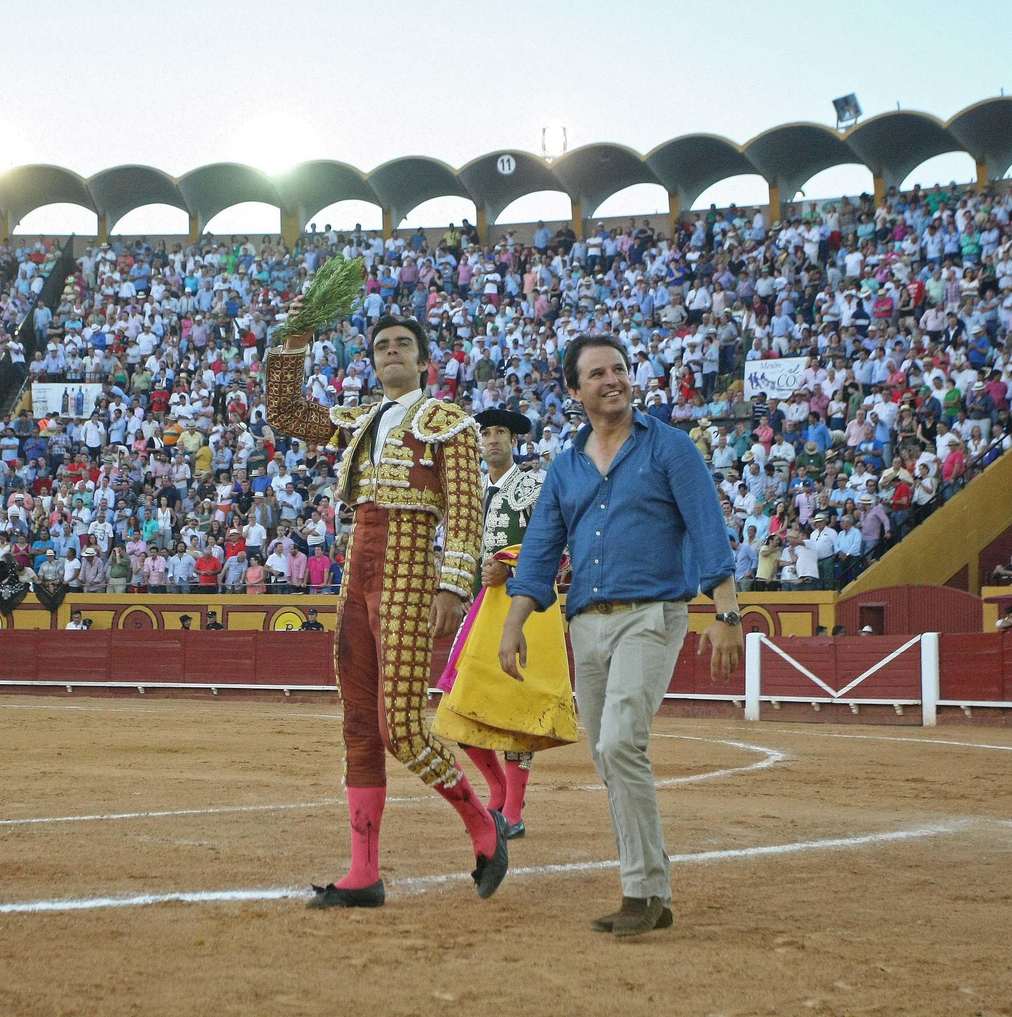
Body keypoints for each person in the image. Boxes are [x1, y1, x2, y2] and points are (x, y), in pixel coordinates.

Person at [500, 333, 741, 938]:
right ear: (575, 390)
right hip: (586, 622)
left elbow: (708, 528)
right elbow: (539, 552)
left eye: (621, 369)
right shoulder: (566, 466)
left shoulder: (672, 449)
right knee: (612, 755)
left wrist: (727, 614)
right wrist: (512, 626)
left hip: (651, 614)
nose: (614, 380)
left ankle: (640, 892)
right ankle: (653, 889)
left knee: (619, 743)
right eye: (599, 373)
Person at [268, 307, 505, 910]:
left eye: (403, 344)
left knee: (399, 727)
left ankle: (483, 824)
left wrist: (453, 587)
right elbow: (287, 413)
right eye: (381, 346)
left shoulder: (449, 423)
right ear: (373, 361)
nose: (391, 352)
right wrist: (296, 339)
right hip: (358, 570)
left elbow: (466, 512)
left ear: (423, 360)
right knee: (358, 727)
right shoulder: (363, 419)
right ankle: (362, 873)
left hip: (408, 570)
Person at [452, 407, 547, 840]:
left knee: (516, 710)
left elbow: (556, 545)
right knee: (459, 702)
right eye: (485, 433)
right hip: (478, 608)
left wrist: (510, 569)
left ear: (514, 440)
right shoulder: (469, 491)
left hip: (522, 609)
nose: (492, 440)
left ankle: (513, 809)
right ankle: (498, 789)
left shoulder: (533, 485)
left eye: (500, 433)